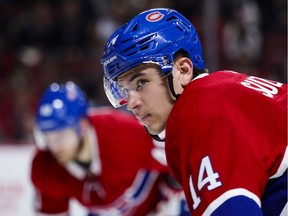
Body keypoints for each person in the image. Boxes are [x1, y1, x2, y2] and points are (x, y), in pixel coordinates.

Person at [101, 8, 287, 216]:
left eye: (141, 82)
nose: (131, 103)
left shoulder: (199, 112)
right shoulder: (221, 89)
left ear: (183, 71)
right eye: (125, 90)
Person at [31, 81, 190, 216]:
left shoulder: (124, 135)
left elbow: (183, 159)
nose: (54, 146)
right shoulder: (45, 166)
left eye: (60, 136)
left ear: (82, 125)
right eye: (47, 137)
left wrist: (174, 198)